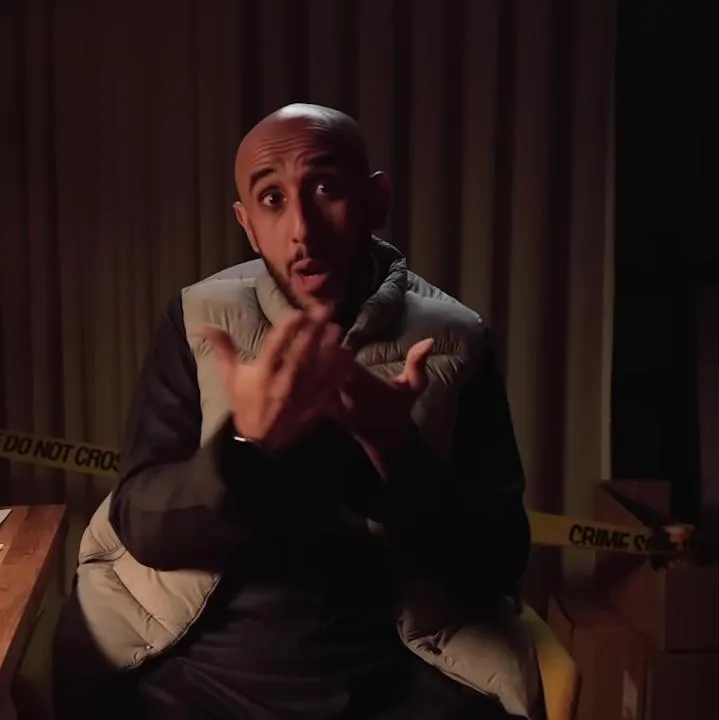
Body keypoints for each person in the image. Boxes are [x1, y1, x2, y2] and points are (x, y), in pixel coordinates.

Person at [53, 104, 539, 720]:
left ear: (375, 200)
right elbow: (143, 523)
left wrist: (397, 452)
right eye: (272, 199)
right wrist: (243, 449)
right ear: (248, 226)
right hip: (202, 667)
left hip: (399, 670)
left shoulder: (456, 337)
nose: (302, 229)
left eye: (326, 188)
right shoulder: (197, 319)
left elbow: (496, 558)